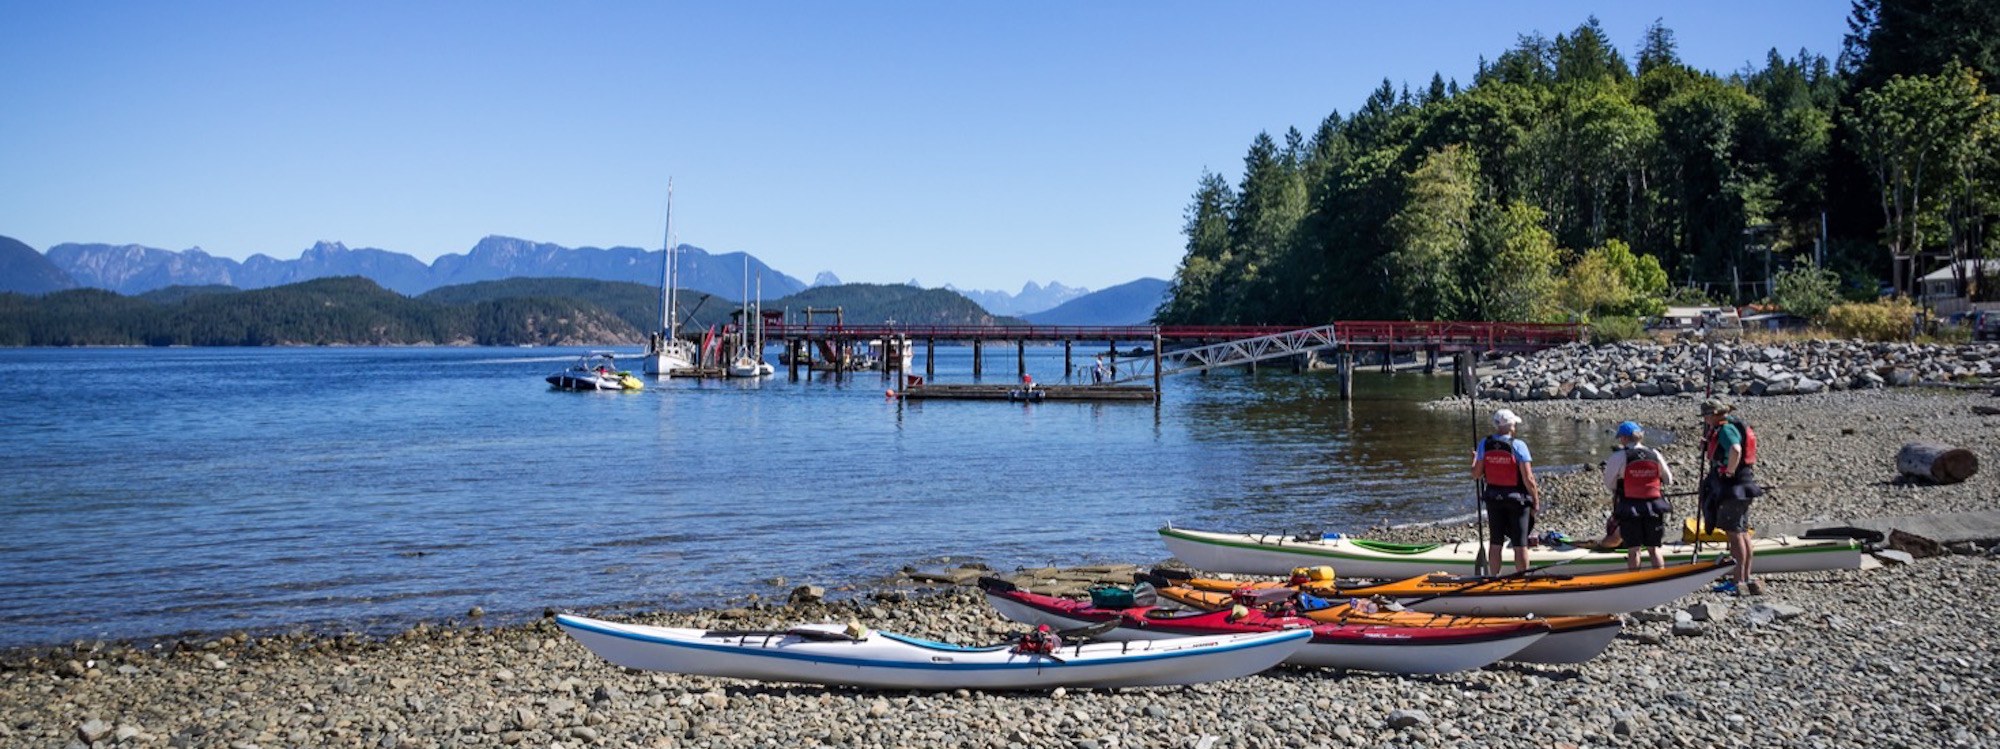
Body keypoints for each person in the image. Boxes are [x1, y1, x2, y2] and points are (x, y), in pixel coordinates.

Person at [1701, 399, 1764, 595]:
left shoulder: (1726, 430)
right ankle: (1745, 577)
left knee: (1734, 534)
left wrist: (1729, 471)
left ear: (1713, 415)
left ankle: (1737, 581)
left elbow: (1735, 449)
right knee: (1742, 532)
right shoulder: (1729, 426)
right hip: (1744, 485)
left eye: (1706, 415)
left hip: (1733, 487)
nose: (1705, 419)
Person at [1471, 408, 1540, 574]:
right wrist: (1536, 500)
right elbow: (1528, 478)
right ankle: (1522, 578)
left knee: (1495, 541)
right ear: (1511, 426)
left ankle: (1494, 576)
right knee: (1520, 542)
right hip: (1517, 501)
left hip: (1493, 499)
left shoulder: (1484, 444)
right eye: (1514, 423)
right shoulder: (1519, 445)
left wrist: (1474, 460)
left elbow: (1476, 474)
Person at [1603, 421, 1675, 570]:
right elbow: (1668, 479)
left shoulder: (1619, 456)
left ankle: (1635, 581)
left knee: (1634, 549)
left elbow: (1610, 483)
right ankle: (1660, 581)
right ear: (1640, 437)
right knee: (1654, 548)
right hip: (1654, 506)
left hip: (1630, 507)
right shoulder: (1655, 454)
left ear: (1623, 438)